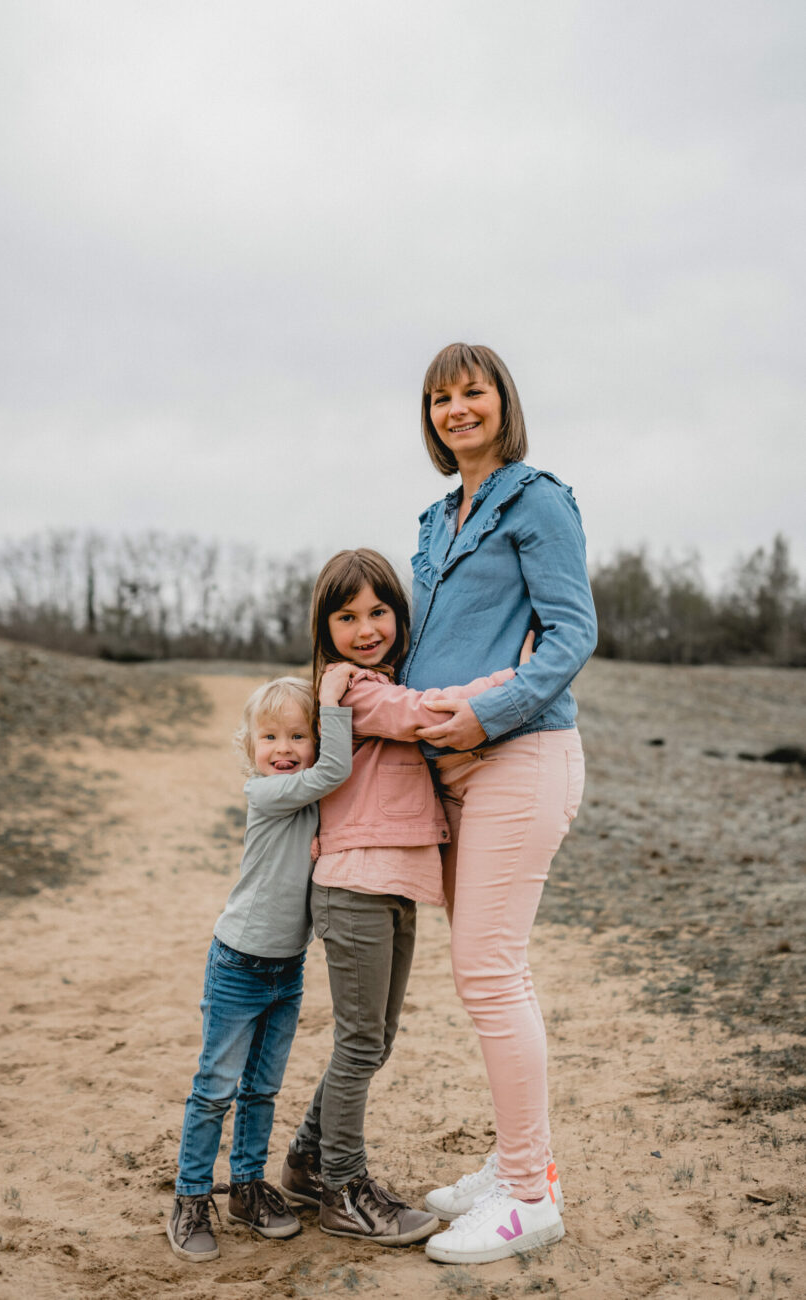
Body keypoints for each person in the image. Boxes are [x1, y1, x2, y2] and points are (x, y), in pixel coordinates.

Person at [404, 343, 597, 1266]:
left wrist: (488, 711)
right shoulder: (437, 519)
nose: (456, 409)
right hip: (450, 772)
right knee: (487, 973)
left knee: (489, 972)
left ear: (502, 400)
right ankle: (522, 1164)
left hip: (522, 754)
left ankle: (528, 1198)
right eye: (441, 398)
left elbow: (571, 632)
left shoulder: (539, 499)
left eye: (472, 391)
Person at [278, 548, 521, 1247]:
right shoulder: (350, 689)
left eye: (379, 611)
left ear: (399, 615)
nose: (365, 627)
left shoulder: (382, 678)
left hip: (392, 885)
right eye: (346, 616)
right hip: (355, 884)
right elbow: (419, 715)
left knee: (374, 1042)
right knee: (360, 1046)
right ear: (325, 629)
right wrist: (520, 676)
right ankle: (343, 1188)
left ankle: (305, 1159)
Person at [166, 670, 354, 1263]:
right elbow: (335, 772)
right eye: (269, 737)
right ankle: (192, 1196)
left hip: (287, 968)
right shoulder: (265, 793)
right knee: (214, 1090)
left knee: (263, 1089)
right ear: (250, 748)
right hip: (239, 965)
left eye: (299, 736)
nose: (283, 749)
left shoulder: (310, 801)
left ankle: (247, 1188)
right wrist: (332, 705)